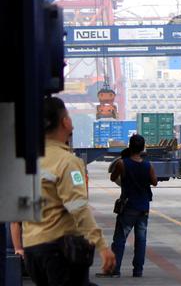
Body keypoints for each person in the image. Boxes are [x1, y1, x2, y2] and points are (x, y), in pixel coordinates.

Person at [23, 97, 116, 284]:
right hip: (58, 250)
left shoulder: (27, 160)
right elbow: (78, 207)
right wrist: (102, 246)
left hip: (32, 249)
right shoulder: (67, 162)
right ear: (65, 122)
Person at [102, 135, 157, 278]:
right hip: (143, 207)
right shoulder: (148, 165)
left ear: (130, 146)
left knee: (120, 239)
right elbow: (155, 182)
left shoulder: (122, 163)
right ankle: (138, 271)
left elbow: (113, 177)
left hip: (128, 207)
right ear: (143, 148)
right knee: (141, 240)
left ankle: (115, 270)